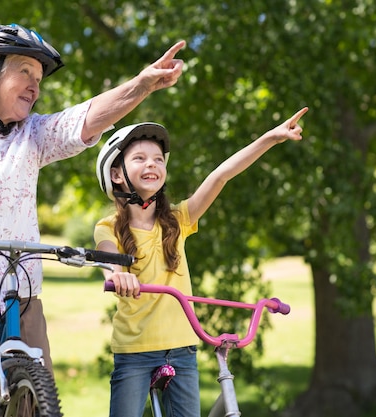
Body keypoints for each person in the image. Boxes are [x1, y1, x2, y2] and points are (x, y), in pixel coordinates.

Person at [0, 23, 186, 417]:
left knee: (34, 385)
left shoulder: (33, 135)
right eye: (25, 72)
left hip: (16, 285)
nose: (35, 86)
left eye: (39, 78)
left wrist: (142, 85)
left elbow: (85, 119)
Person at [94, 107, 309, 417]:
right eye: (139, 158)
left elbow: (221, 174)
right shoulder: (109, 226)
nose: (152, 164)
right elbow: (107, 255)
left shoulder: (178, 219)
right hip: (135, 352)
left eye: (158, 159)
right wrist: (117, 274)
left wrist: (269, 139)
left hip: (182, 349)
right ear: (116, 174)